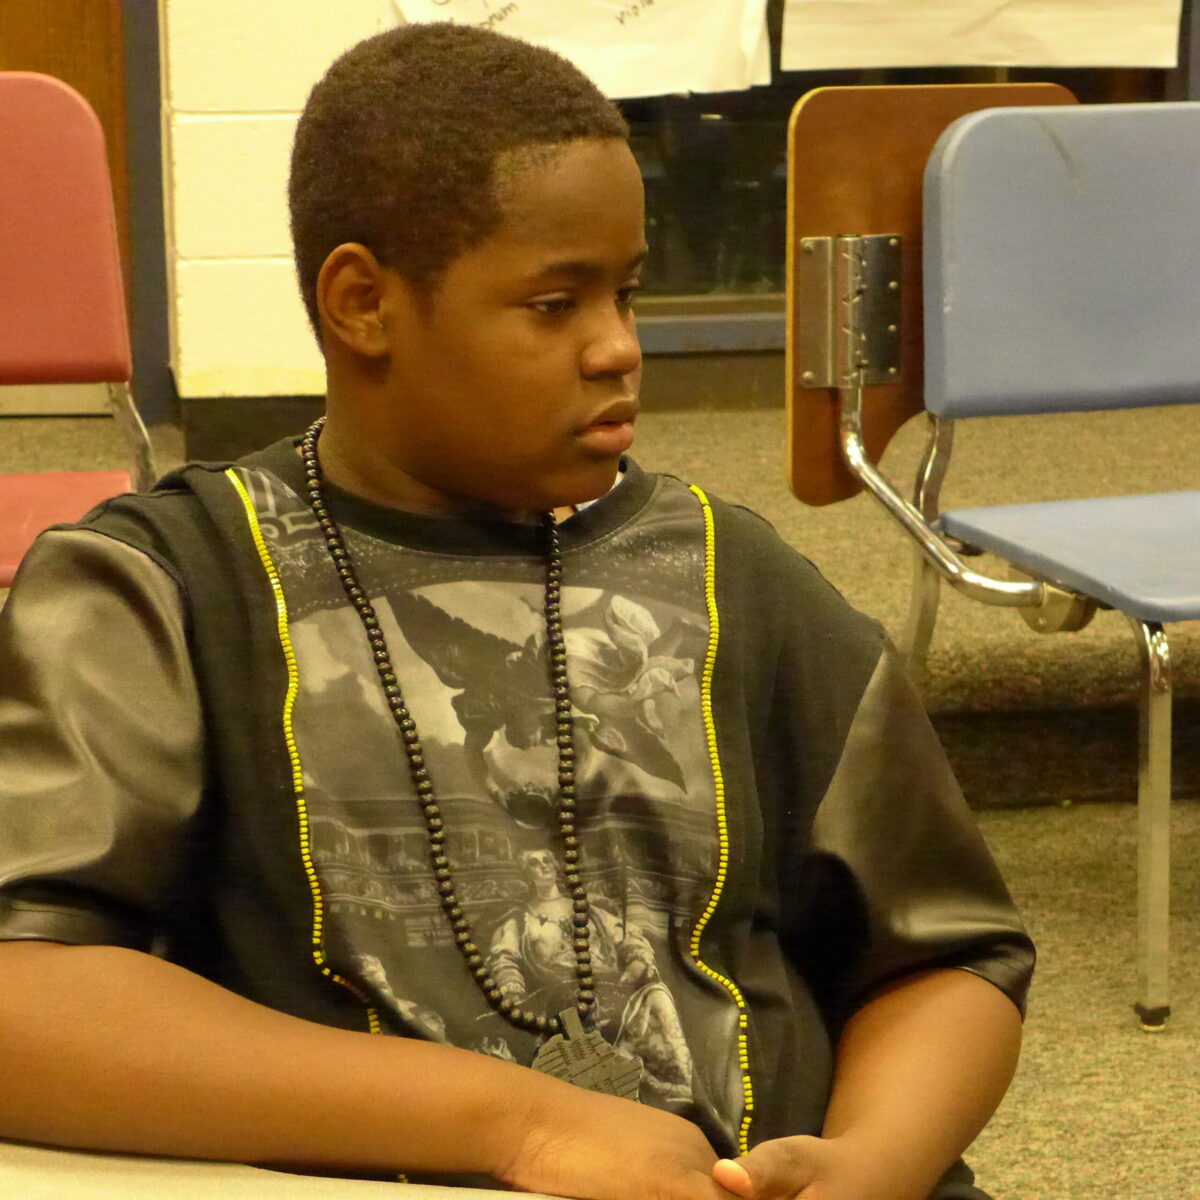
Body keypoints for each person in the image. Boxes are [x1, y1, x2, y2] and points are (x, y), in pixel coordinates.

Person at [0, 23, 1033, 1200]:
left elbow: (946, 955)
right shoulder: (165, 591)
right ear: (363, 303)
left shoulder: (733, 579)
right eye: (554, 304)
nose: (618, 349)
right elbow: (24, 992)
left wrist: (876, 1161)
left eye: (627, 293)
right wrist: (519, 1126)